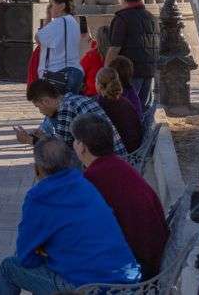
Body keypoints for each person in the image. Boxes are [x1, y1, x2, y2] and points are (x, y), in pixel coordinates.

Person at [0, 137, 142, 295]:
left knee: (9, 267)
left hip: (90, 288)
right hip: (127, 281)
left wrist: (44, 255)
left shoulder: (38, 197)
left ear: (37, 169)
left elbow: (25, 256)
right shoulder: (84, 183)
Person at [72, 114, 168, 278]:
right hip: (148, 258)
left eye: (75, 140)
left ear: (81, 146)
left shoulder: (93, 178)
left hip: (134, 268)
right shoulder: (118, 164)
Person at [14, 79, 126, 155]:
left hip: (107, 164)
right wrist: (43, 137)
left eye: (38, 107)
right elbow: (63, 141)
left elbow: (60, 151)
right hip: (116, 158)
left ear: (46, 101)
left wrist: (30, 140)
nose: (41, 112)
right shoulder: (72, 99)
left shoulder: (65, 108)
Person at [106, 0, 159, 108]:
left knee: (128, 108)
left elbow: (115, 48)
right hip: (149, 71)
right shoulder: (151, 17)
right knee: (144, 108)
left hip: (130, 73)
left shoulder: (122, 18)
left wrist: (106, 70)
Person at [35, 0, 82, 95]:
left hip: (58, 73)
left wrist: (48, 17)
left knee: (56, 107)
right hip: (75, 71)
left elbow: (38, 38)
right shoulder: (73, 22)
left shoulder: (59, 22)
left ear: (62, 6)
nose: (50, 8)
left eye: (52, 5)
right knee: (69, 106)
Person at [95, 67, 143, 152]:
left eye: (96, 81)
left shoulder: (103, 103)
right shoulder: (122, 100)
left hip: (124, 151)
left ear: (100, 85)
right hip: (134, 146)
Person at [81, 23, 109, 96]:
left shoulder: (91, 55)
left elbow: (80, 71)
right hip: (112, 93)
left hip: (93, 93)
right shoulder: (118, 54)